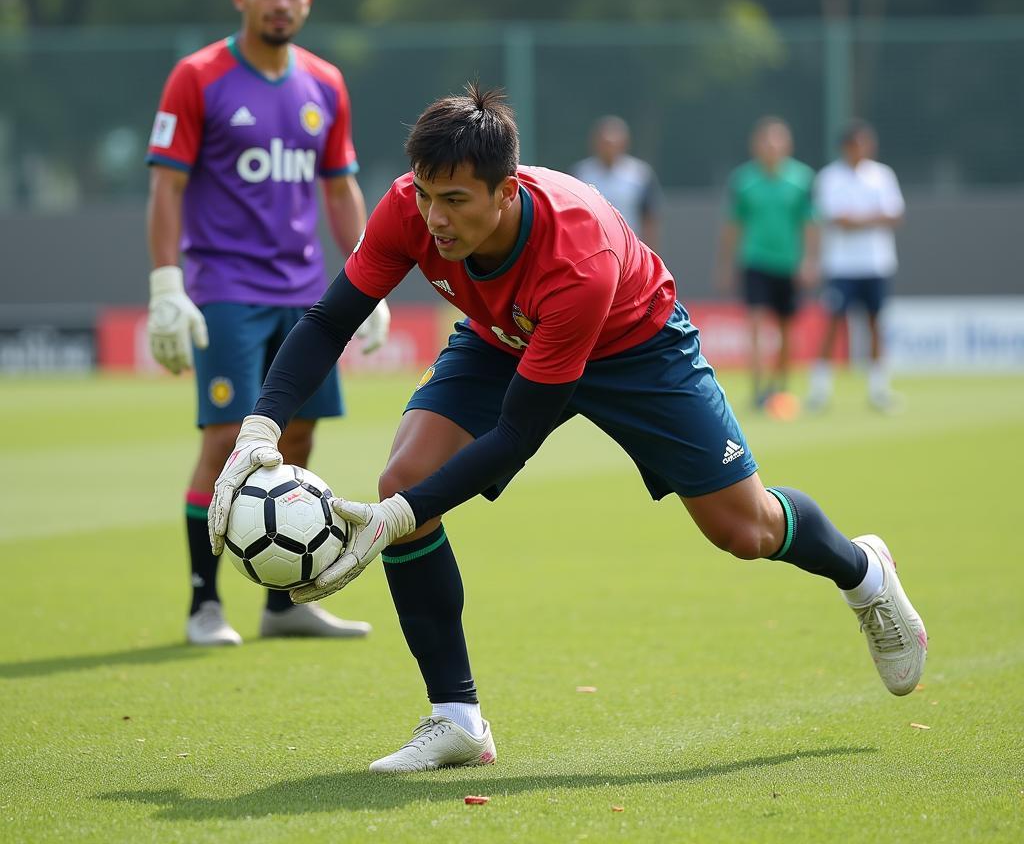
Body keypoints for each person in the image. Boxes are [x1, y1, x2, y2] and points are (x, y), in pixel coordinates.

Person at [209, 84, 927, 772]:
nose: (434, 219)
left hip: (636, 348)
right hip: (502, 338)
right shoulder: (409, 207)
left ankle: (863, 571)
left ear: (508, 191)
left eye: (455, 201)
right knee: (408, 478)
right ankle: (457, 719)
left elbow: (517, 435)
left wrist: (391, 522)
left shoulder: (578, 257)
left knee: (747, 532)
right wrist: (258, 432)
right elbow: (332, 319)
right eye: (426, 195)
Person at [145, 0, 389, 646]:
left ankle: (284, 605)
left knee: (302, 435)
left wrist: (367, 280)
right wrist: (167, 283)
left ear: (307, 1)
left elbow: (340, 189)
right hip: (225, 286)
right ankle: (203, 604)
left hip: (307, 291)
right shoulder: (197, 76)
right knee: (228, 439)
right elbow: (167, 184)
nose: (280, 1)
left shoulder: (325, 82)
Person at [716, 117, 818, 408]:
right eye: (766, 140)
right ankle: (759, 390)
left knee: (786, 328)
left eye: (777, 140)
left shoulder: (802, 179)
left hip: (789, 263)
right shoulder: (744, 181)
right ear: (756, 145)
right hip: (756, 260)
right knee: (757, 325)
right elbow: (733, 226)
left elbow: (810, 223)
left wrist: (809, 260)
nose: (771, 146)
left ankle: (781, 387)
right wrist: (725, 264)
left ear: (788, 145)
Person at [806, 120, 905, 412]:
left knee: (876, 324)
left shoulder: (882, 175)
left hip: (876, 264)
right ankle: (820, 391)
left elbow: (894, 215)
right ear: (845, 147)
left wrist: (857, 219)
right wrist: (872, 217)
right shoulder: (829, 177)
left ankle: (878, 390)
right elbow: (837, 219)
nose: (860, 149)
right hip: (841, 265)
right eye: (854, 144)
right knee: (833, 324)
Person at [573, 116, 661, 248]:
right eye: (604, 142)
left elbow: (649, 216)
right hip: (591, 248)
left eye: (613, 143)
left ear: (624, 143)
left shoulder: (640, 174)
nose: (608, 148)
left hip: (630, 249)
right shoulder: (581, 173)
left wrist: (650, 251)